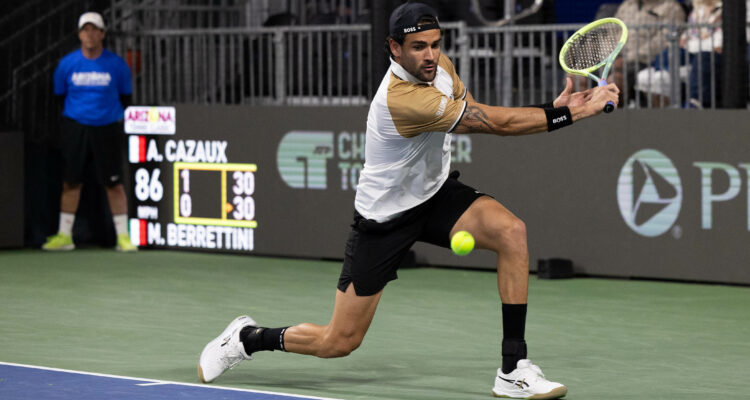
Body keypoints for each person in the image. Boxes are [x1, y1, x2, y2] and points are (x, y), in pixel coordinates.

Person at [197, 3, 618, 399]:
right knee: (338, 342)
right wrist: (572, 113)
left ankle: (513, 370)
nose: (430, 55)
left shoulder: (441, 67)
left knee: (511, 232)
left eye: (435, 44)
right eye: (418, 47)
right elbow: (495, 124)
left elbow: (477, 108)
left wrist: (553, 107)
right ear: (394, 49)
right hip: (385, 218)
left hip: (434, 194)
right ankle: (248, 339)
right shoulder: (403, 99)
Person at [43, 12, 136, 252]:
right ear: (79, 34)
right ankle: (64, 236)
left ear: (103, 34)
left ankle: (123, 238)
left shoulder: (116, 65)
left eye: (95, 29)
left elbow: (126, 97)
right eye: (85, 30)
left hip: (107, 127)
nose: (90, 34)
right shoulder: (67, 64)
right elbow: (59, 96)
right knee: (71, 182)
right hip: (76, 127)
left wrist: (108, 116)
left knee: (114, 184)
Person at [634, 0, 722, 108]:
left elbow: (717, 45)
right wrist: (692, 43)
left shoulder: (724, 11)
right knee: (644, 76)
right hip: (684, 58)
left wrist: (690, 44)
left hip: (703, 62)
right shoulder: (696, 12)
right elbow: (683, 39)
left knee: (662, 77)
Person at [613, 0, 685, 105]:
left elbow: (663, 40)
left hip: (646, 62)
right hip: (616, 59)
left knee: (614, 81)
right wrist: (611, 56)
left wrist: (628, 58)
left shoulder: (672, 8)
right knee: (581, 79)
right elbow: (611, 32)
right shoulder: (626, 5)